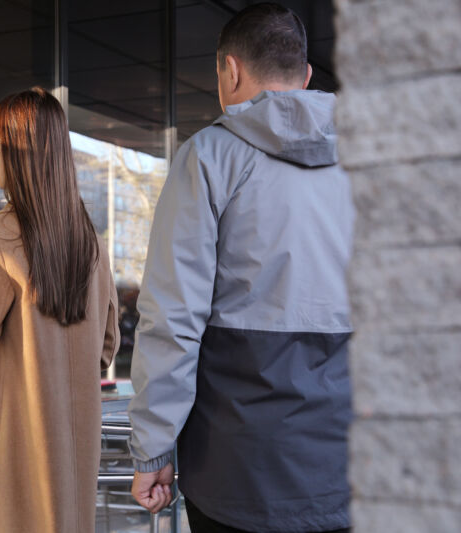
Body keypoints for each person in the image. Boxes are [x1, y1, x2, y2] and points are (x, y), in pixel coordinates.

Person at [127, 4, 354, 532]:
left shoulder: (208, 158)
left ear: (229, 70)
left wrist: (153, 449)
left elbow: (172, 317)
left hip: (236, 470)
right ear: (305, 77)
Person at [0, 87, 119, 533]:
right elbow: (105, 348)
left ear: (16, 152)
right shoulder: (91, 243)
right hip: (73, 451)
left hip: (9, 451)